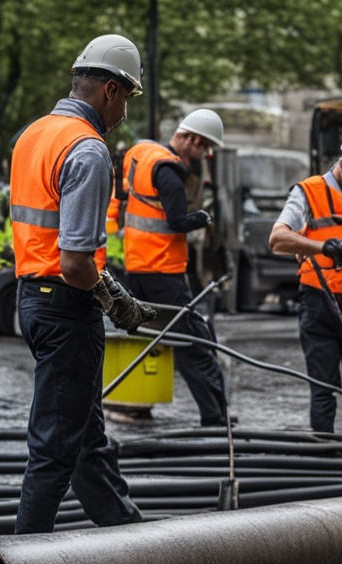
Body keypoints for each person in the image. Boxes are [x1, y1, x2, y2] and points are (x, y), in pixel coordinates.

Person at [7, 33, 157, 535]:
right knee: (54, 449)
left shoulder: (34, 134)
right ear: (111, 90)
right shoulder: (87, 150)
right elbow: (74, 262)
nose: (124, 114)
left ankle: (131, 537)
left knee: (86, 436)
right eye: (128, 99)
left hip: (33, 297)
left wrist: (106, 289)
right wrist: (115, 301)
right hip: (66, 306)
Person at [268, 135, 342, 435]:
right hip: (320, 302)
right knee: (324, 386)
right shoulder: (308, 193)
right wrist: (322, 247)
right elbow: (277, 239)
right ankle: (325, 457)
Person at [120, 109, 229, 427]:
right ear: (192, 139)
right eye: (204, 147)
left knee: (162, 336)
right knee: (196, 343)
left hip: (138, 266)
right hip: (163, 269)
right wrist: (204, 218)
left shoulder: (141, 153)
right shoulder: (169, 170)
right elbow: (178, 221)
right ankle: (215, 417)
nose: (204, 154)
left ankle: (133, 403)